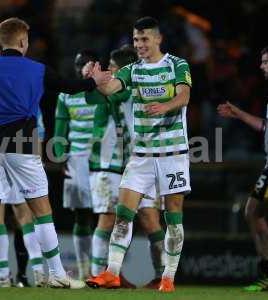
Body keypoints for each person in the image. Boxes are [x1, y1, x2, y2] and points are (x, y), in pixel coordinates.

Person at [0, 17, 110, 288]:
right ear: (23, 42)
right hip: (23, 146)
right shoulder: (36, 69)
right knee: (42, 211)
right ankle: (58, 274)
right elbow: (69, 87)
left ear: (0, 42)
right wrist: (93, 81)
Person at [85, 16, 192, 293]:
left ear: (158, 39)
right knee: (123, 212)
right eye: (136, 40)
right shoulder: (132, 70)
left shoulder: (177, 64)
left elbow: (184, 96)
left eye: (144, 39)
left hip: (173, 154)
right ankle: (111, 273)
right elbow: (110, 88)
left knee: (173, 215)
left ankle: (168, 277)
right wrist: (97, 81)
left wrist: (165, 106)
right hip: (142, 155)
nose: (140, 44)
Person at [84, 47, 166, 289]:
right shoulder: (116, 91)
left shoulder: (136, 89)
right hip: (113, 164)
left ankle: (163, 276)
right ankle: (102, 273)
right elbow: (93, 98)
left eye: (113, 67)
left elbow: (110, 95)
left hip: (145, 162)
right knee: (108, 219)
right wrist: (93, 82)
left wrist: (95, 81)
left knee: (151, 219)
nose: (110, 71)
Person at [218, 43, 268, 292]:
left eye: (265, 62)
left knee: (252, 211)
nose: (261, 66)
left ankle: (267, 274)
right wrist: (239, 114)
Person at [54, 49, 99, 280]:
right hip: (77, 161)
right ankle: (84, 271)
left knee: (107, 215)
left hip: (104, 161)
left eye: (86, 63)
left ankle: (105, 271)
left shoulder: (105, 90)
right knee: (82, 216)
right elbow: (60, 131)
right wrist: (61, 156)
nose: (81, 68)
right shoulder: (66, 95)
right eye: (78, 64)